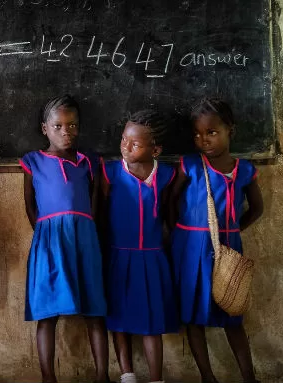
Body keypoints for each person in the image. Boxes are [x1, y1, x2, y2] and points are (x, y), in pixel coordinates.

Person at [170, 98, 264, 383]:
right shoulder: (190, 166)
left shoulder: (244, 170)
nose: (204, 140)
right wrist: (182, 233)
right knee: (193, 314)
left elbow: (256, 209)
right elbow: (170, 202)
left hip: (227, 248)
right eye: (197, 134)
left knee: (232, 310)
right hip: (191, 248)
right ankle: (207, 377)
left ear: (229, 131)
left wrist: (232, 231)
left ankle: (249, 377)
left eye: (212, 132)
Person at [19, 94, 108, 383]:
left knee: (94, 309)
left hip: (84, 239)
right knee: (47, 312)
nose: (66, 131)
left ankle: (102, 375)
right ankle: (48, 377)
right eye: (58, 126)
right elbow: (29, 205)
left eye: (72, 125)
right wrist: (45, 235)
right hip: (49, 242)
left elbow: (96, 200)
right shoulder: (33, 161)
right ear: (45, 128)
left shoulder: (89, 161)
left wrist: (88, 227)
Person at [100, 110, 178, 383]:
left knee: (152, 319)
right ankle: (127, 374)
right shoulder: (110, 173)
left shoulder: (167, 176)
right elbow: (100, 214)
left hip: (153, 258)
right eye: (124, 139)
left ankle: (156, 378)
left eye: (135, 144)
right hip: (119, 255)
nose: (125, 146)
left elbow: (169, 215)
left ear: (155, 150)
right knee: (118, 316)